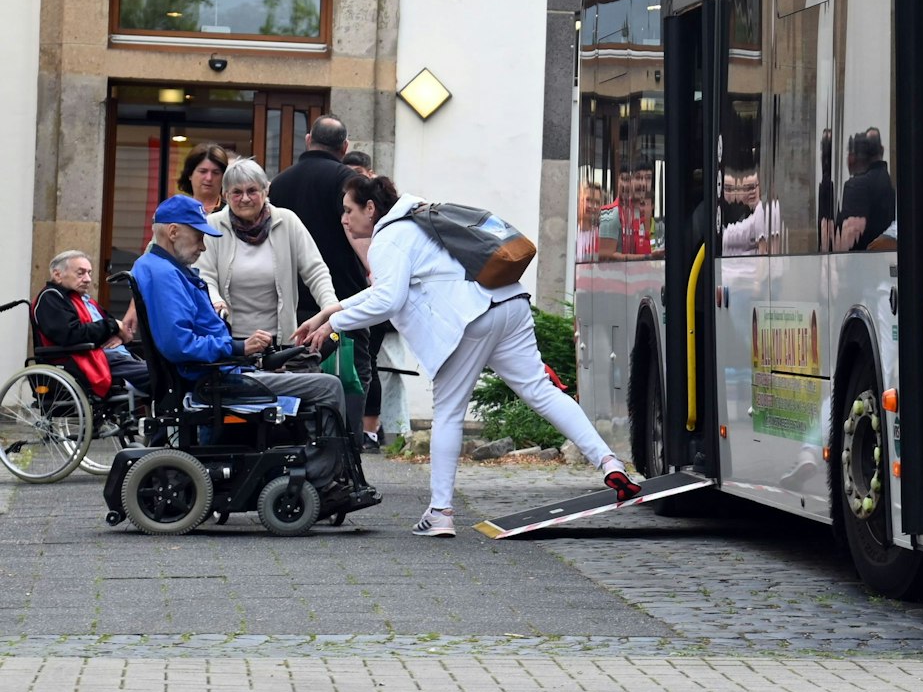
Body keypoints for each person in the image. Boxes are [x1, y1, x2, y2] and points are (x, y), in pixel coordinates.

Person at [294, 175, 638, 538]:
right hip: (507, 302)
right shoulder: (418, 219)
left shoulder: (387, 238)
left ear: (370, 208)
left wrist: (334, 327)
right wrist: (326, 315)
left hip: (468, 320)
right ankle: (609, 461)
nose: (344, 220)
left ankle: (440, 513)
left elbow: (387, 300)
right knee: (541, 391)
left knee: (448, 414)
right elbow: (384, 293)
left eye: (348, 211)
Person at [132, 195, 376, 510]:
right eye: (199, 237)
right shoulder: (164, 274)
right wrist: (237, 347)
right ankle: (322, 480)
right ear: (174, 232)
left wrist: (241, 347)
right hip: (212, 380)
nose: (204, 247)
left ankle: (321, 474)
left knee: (304, 375)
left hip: (219, 372)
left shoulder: (162, 269)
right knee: (327, 386)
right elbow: (178, 345)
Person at [268, 116, 379, 446]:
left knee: (295, 376)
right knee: (351, 374)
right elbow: (354, 230)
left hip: (292, 300)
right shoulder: (347, 179)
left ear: (307, 140)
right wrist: (374, 270)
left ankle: (296, 445)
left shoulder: (279, 183)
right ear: (344, 147)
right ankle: (345, 449)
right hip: (343, 298)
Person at [195, 159, 337, 348]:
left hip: (280, 339)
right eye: (237, 192)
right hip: (229, 340)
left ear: (266, 190)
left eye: (252, 191)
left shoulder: (287, 221)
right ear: (225, 195)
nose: (245, 198)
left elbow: (315, 271)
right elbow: (204, 276)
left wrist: (330, 307)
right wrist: (215, 300)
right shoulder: (213, 225)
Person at [34, 250, 149, 401]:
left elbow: (121, 330)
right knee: (161, 375)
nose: (88, 279)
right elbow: (72, 333)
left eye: (89, 273)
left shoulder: (86, 300)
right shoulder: (51, 298)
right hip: (92, 360)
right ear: (57, 275)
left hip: (116, 355)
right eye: (81, 273)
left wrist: (119, 335)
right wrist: (114, 325)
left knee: (168, 368)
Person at [833, 130, 895, 252]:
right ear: (881, 151)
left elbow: (847, 242)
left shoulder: (856, 187)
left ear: (853, 157)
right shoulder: (887, 181)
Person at [177, 144, 232, 215]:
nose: (209, 178)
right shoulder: (177, 212)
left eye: (215, 173)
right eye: (203, 171)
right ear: (190, 174)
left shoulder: (231, 213)